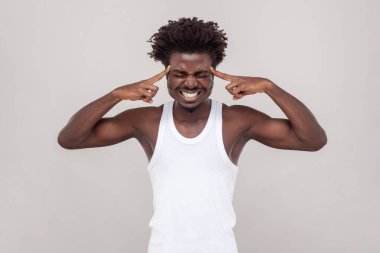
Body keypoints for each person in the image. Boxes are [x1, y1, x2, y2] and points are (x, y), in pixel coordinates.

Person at [58, 17, 327, 253]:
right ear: (165, 75)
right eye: (179, 74)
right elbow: (71, 139)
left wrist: (270, 88)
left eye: (200, 74)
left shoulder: (236, 120)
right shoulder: (147, 122)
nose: (189, 83)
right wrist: (114, 95)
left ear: (213, 76)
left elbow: (312, 140)